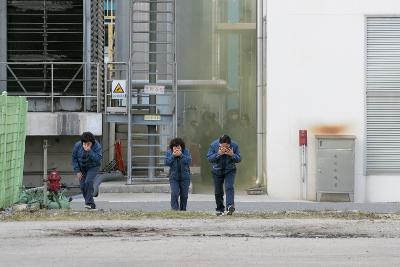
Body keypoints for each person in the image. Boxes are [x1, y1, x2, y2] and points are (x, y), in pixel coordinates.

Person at [207, 134, 241, 216]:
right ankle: (220, 209)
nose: (225, 148)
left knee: (229, 187)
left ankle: (230, 206)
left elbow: (239, 159)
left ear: (230, 144)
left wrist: (232, 155)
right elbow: (209, 158)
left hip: (230, 170)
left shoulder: (235, 145)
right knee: (218, 191)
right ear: (219, 144)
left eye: (227, 146)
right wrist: (218, 154)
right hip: (217, 170)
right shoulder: (213, 145)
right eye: (223, 146)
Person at [72, 132, 102, 210]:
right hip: (82, 168)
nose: (87, 145)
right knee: (82, 186)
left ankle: (89, 203)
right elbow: (74, 159)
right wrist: (77, 171)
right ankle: (91, 204)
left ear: (92, 142)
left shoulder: (97, 146)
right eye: (85, 143)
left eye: (89, 143)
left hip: (93, 167)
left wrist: (90, 151)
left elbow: (98, 160)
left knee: (88, 182)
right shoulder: (77, 145)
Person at [165, 137, 192, 211]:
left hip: (185, 177)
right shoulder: (169, 152)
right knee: (175, 193)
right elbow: (167, 163)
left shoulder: (186, 151)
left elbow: (188, 161)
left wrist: (181, 155)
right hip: (174, 177)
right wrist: (173, 156)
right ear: (172, 147)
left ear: (181, 146)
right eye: (175, 146)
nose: (176, 148)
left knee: (184, 195)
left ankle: (183, 210)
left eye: (178, 146)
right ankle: (174, 209)